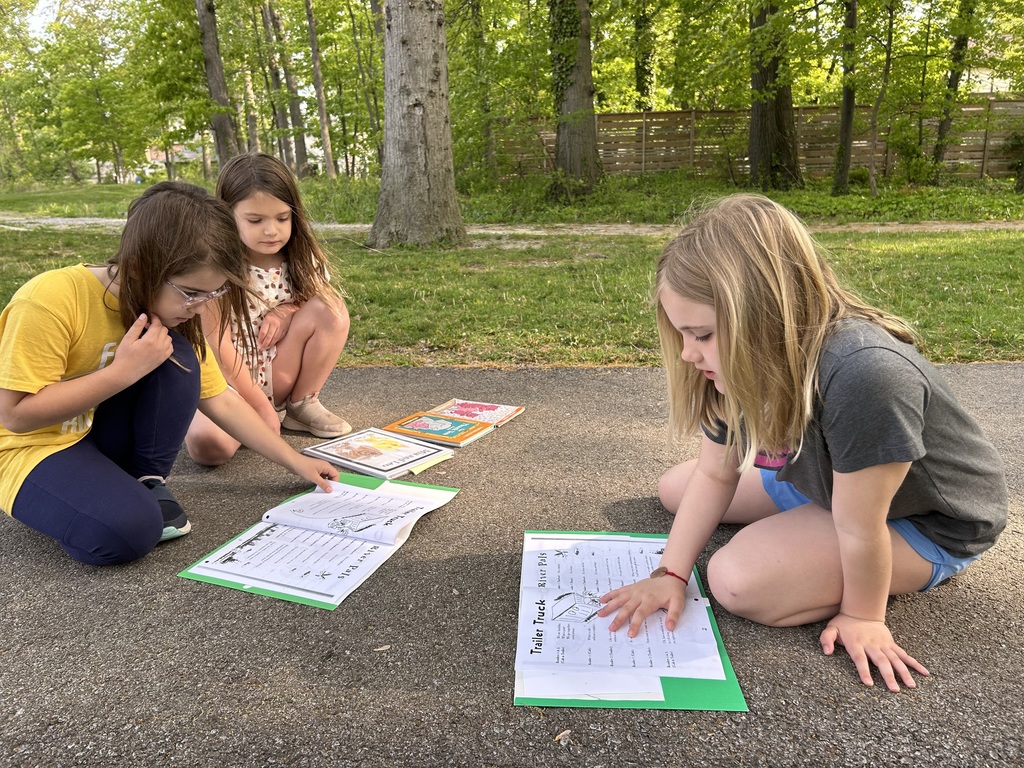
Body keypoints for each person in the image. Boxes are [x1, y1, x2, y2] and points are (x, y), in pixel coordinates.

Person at [597, 194, 1007, 693]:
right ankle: (801, 535)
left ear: (763, 317)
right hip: (828, 482)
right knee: (675, 488)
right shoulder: (741, 361)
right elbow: (714, 473)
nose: (687, 353)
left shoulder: (866, 374)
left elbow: (861, 526)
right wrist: (671, 574)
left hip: (927, 520)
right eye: (683, 334)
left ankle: (822, 558)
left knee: (738, 581)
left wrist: (862, 616)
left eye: (701, 334)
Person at [0, 182, 339, 566]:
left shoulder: (170, 315)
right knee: (127, 534)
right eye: (192, 293)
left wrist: (296, 462)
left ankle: (144, 480)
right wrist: (122, 373)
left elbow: (221, 399)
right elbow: (14, 415)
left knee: (176, 356)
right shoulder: (52, 298)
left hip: (94, 435)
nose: (199, 307)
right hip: (26, 449)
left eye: (212, 295)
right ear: (144, 267)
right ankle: (86, 505)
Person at [185, 153, 351, 467]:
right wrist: (258, 406)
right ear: (226, 215)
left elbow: (314, 299)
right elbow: (218, 350)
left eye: (282, 218)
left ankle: (301, 405)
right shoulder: (214, 265)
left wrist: (286, 312)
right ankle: (248, 419)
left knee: (331, 308)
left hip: (276, 373)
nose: (271, 230)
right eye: (255, 220)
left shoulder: (301, 257)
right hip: (228, 383)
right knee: (209, 447)